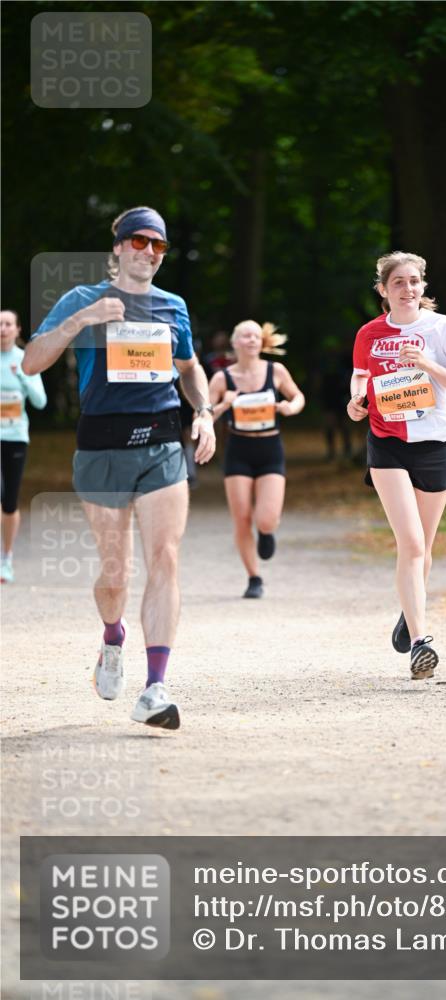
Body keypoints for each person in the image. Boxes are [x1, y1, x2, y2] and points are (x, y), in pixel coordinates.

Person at [23, 206, 216, 730]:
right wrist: (82, 321)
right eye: (139, 242)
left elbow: (189, 367)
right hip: (101, 446)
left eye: (158, 245)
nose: (149, 252)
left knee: (166, 558)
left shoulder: (173, 307)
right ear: (118, 248)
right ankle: (113, 638)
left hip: (160, 442)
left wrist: (203, 411)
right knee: (115, 572)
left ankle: (155, 687)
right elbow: (31, 361)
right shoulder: (81, 299)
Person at [347, 251, 446, 680]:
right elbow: (360, 379)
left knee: (424, 547)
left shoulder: (443, 329)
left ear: (424, 287)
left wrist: (428, 365)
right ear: (383, 290)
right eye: (398, 282)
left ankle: (410, 610)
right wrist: (355, 403)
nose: (408, 289)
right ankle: (422, 642)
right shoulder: (369, 333)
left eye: (415, 281)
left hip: (436, 443)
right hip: (387, 444)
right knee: (411, 543)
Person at [209, 319, 305, 598]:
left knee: (266, 518)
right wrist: (223, 404)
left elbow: (298, 396)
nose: (251, 340)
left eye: (255, 336)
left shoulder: (276, 371)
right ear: (235, 343)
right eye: (245, 336)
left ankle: (266, 532)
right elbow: (203, 415)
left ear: (261, 343)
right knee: (241, 518)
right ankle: (254, 577)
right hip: (238, 450)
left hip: (270, 449)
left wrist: (290, 407)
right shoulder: (221, 378)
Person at [1, 309, 47, 583]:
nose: (3, 329)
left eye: (8, 324)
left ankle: (6, 558)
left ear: (17, 330)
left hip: (16, 438)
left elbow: (40, 402)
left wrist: (23, 377)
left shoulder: (25, 361)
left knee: (9, 503)